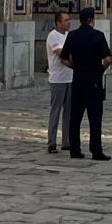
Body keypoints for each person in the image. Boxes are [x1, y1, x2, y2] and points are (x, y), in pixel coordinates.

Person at [59, 7, 112, 159]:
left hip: (77, 80)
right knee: (95, 118)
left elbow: (63, 58)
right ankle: (96, 150)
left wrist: (75, 67)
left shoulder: (73, 36)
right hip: (94, 81)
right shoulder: (98, 36)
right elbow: (108, 59)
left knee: (75, 117)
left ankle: (74, 149)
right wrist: (100, 70)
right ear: (91, 20)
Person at [45, 9, 73, 152]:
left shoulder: (69, 36)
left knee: (69, 111)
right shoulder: (53, 36)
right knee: (55, 110)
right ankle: (51, 142)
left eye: (69, 20)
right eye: (66, 20)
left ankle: (66, 141)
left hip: (70, 78)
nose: (69, 22)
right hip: (58, 79)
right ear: (58, 22)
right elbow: (62, 55)